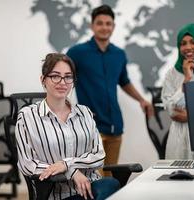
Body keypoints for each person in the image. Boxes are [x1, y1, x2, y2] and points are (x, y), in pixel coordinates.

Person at [15, 53, 120, 200]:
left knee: (111, 184)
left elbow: (98, 156)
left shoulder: (85, 112)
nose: (62, 82)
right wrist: (71, 172)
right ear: (43, 80)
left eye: (68, 77)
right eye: (55, 76)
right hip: (57, 195)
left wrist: (67, 164)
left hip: (93, 189)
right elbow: (28, 164)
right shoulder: (27, 117)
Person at [66, 5, 153, 176]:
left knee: (111, 179)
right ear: (92, 26)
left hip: (115, 126)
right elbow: (64, 78)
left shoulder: (119, 54)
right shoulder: (77, 53)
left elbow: (124, 81)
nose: (104, 27)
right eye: (100, 23)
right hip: (91, 127)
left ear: (113, 26)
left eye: (108, 23)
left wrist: (142, 100)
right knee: (94, 179)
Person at [161, 23, 194, 159]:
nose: (188, 47)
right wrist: (186, 80)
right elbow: (172, 111)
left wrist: (190, 115)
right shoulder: (172, 74)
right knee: (179, 178)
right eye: (183, 43)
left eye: (193, 42)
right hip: (179, 140)